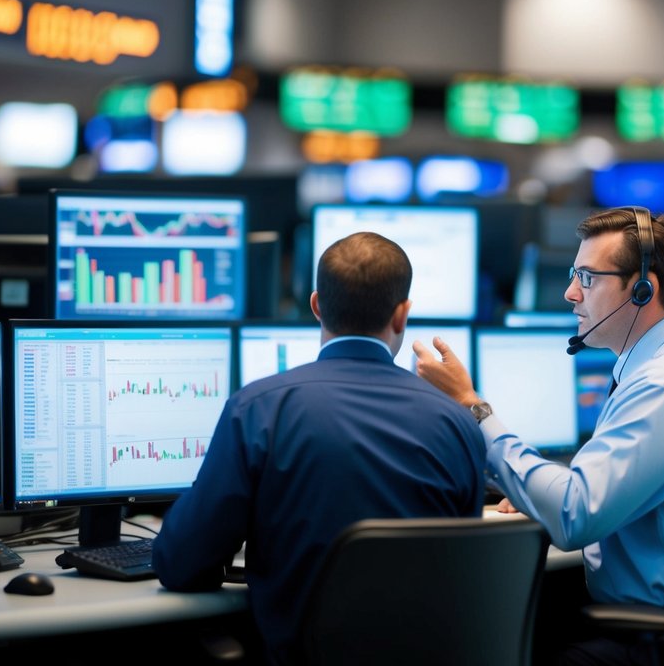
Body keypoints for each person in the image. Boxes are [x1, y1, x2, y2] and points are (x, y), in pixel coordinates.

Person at [414, 206, 664, 666]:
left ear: (641, 290)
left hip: (662, 639)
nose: (570, 292)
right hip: (658, 618)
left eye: (588, 278)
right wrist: (537, 487)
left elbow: (575, 516)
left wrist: (474, 410)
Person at [153, 231, 486, 665]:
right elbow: (460, 568)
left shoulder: (258, 409)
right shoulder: (459, 422)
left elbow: (181, 564)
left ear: (315, 305)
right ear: (403, 314)